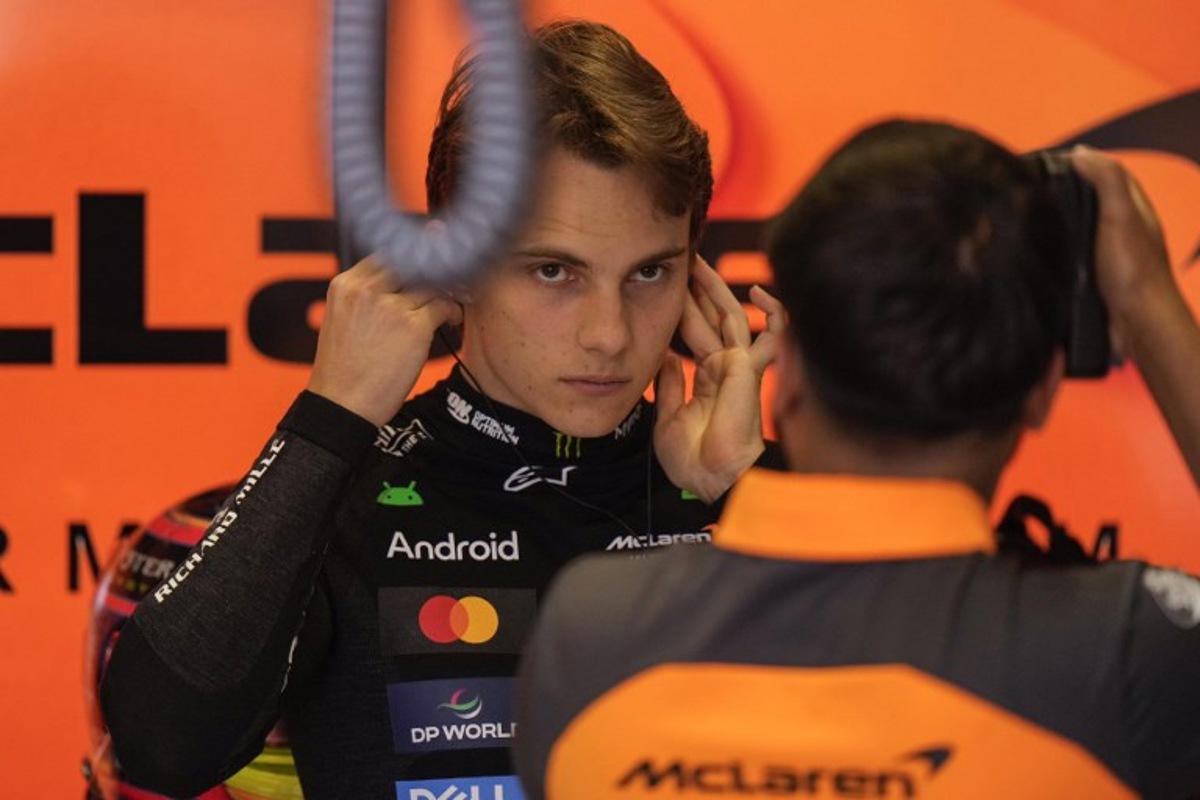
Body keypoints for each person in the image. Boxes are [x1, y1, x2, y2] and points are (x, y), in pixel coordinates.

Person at [100, 19, 783, 800]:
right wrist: (331, 418)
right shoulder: (351, 495)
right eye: (555, 271)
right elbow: (161, 746)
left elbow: (903, 747)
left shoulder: (751, 495)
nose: (609, 335)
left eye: (649, 274)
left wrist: (746, 495)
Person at [514, 120, 1200, 799]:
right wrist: (1148, 305)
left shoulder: (592, 630)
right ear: (1044, 391)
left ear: (789, 372)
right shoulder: (1128, 653)